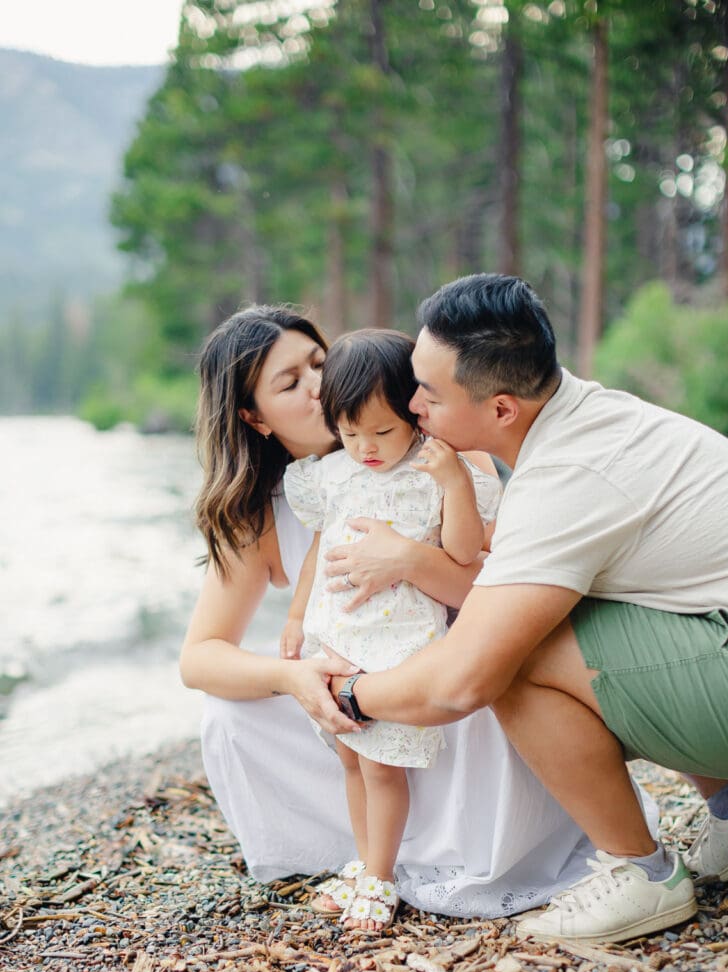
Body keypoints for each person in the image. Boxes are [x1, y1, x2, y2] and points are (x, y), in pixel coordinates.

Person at [323, 273, 728, 944]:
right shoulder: (585, 416)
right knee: (549, 612)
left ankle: (642, 875)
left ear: (501, 409)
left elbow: (462, 681)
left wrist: (352, 694)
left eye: (430, 394)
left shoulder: (566, 475)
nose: (412, 405)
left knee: (516, 653)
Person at [179, 303, 601, 921]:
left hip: (452, 678)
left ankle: (448, 844)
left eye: (319, 362)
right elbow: (199, 658)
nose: (320, 385)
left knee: (481, 682)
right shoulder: (270, 506)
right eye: (290, 383)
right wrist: (297, 677)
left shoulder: (441, 450)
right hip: (349, 691)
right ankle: (357, 851)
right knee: (228, 715)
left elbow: (514, 592)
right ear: (254, 417)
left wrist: (408, 561)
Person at [281, 330, 501, 931]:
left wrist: (454, 482)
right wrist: (298, 617)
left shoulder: (434, 468)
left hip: (397, 647)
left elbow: (461, 554)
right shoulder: (331, 473)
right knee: (351, 760)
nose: (366, 448)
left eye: (381, 432)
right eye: (351, 434)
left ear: (413, 413)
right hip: (338, 641)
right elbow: (320, 546)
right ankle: (364, 860)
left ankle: (382, 876)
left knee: (382, 768)